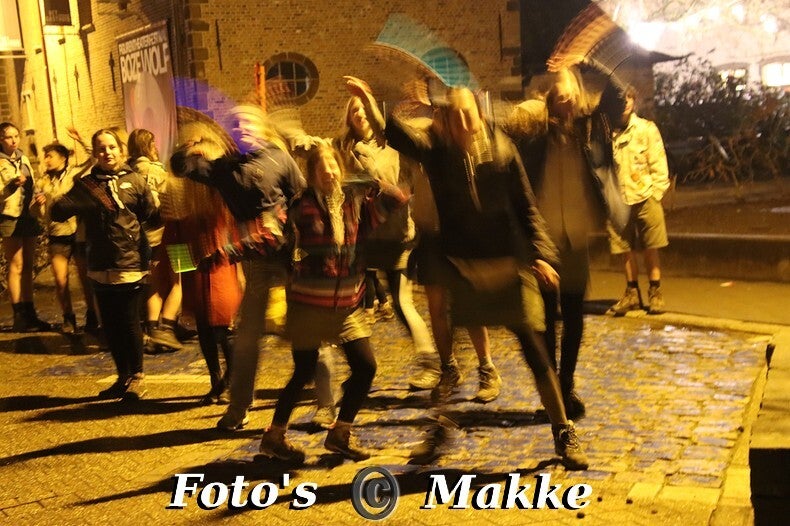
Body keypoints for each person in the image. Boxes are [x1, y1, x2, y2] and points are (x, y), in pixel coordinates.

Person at [386, 86, 588, 470]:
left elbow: (527, 207)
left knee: (535, 352)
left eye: (469, 114)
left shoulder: (502, 151)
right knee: (454, 358)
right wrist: (385, 107)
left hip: (508, 268)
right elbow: (401, 137)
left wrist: (542, 256)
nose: (464, 122)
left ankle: (563, 431)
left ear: (479, 114)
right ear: (447, 122)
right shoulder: (439, 154)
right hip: (466, 269)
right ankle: (439, 431)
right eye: (456, 116)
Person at [257, 142, 408, 463]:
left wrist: (365, 179)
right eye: (321, 167)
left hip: (346, 306)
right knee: (304, 371)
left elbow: (396, 198)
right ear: (312, 175)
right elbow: (273, 233)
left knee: (365, 367)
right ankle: (274, 437)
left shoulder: (354, 205)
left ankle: (340, 434)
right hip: (309, 305)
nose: (329, 171)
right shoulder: (302, 205)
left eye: (333, 165)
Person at [170, 104, 306, 431]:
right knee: (246, 337)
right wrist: (189, 147)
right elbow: (179, 167)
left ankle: (327, 406)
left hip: (290, 256)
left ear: (261, 127)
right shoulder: (223, 168)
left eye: (246, 122)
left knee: (309, 332)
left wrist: (295, 234)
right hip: (256, 259)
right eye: (234, 125)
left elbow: (301, 197)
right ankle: (238, 408)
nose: (240, 128)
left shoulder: (279, 158)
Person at [504, 68, 610, 419]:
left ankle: (567, 385)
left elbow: (610, 102)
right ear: (549, 96)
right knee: (547, 318)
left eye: (571, 93)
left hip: (575, 233)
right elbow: (509, 131)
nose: (566, 99)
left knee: (575, 315)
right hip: (545, 238)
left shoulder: (588, 130)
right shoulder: (535, 131)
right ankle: (553, 392)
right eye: (559, 93)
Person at [336, 77, 442, 392]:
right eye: (354, 111)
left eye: (363, 109)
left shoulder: (392, 146)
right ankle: (356, 367)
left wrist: (397, 194)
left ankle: (431, 362)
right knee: (347, 304)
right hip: (363, 236)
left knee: (401, 302)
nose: (360, 115)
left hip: (396, 235)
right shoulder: (345, 149)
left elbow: (410, 182)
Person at [51, 128, 157, 400]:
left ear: (121, 150)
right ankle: (122, 376)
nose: (107, 152)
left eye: (112, 147)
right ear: (95, 153)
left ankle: (137, 376)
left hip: (129, 261)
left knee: (130, 321)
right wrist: (67, 199)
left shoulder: (135, 180)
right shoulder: (86, 185)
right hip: (99, 261)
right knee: (109, 323)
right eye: (101, 148)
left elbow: (150, 214)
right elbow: (58, 211)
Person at [600, 84, 671, 315]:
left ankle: (655, 291)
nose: (625, 103)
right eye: (621, 99)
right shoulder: (607, 132)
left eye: (629, 98)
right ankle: (632, 293)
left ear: (633, 101)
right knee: (625, 249)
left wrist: (655, 193)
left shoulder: (645, 129)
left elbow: (658, 162)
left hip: (645, 195)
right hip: (619, 200)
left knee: (651, 245)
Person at [127, 129, 183, 352]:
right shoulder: (157, 172)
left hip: (142, 238)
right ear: (149, 146)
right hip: (172, 233)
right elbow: (172, 202)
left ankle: (151, 330)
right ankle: (166, 328)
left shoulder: (127, 171)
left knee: (154, 284)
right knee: (181, 281)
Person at [30, 142, 93, 334]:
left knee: (86, 277)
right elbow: (37, 213)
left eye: (50, 156)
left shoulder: (75, 175)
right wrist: (37, 205)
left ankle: (92, 315)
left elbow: (92, 160)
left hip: (79, 232)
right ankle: (68, 317)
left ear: (63, 158)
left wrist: (80, 140)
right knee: (60, 279)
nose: (46, 160)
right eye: (45, 156)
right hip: (57, 233)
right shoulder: (42, 182)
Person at [0, 122, 50, 332]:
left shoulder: (24, 159)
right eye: (8, 137)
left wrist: (39, 195)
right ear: (1, 140)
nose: (14, 140)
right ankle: (19, 313)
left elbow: (33, 184)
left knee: (29, 264)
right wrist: (11, 186)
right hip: (10, 215)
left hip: (28, 215)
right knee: (17, 264)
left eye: (16, 136)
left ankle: (31, 312)